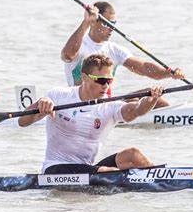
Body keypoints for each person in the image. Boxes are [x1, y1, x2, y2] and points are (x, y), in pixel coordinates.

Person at [18, 54, 163, 174]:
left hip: (88, 169)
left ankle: (161, 181)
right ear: (85, 77)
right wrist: (40, 105)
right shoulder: (59, 96)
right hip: (55, 168)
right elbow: (22, 122)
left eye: (109, 80)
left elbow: (137, 110)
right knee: (109, 172)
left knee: (133, 155)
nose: (105, 86)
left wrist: (151, 99)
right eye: (100, 80)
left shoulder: (110, 106)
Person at [61, 1, 186, 107]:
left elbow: (144, 67)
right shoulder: (79, 46)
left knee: (155, 99)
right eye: (106, 23)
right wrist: (85, 22)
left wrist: (169, 73)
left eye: (113, 24)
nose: (111, 28)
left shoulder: (114, 50)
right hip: (81, 107)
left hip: (106, 107)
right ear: (93, 22)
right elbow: (67, 56)